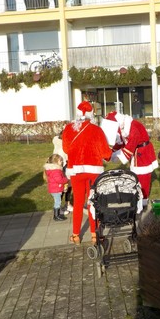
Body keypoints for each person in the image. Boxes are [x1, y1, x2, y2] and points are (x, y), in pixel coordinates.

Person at [62, 100, 112, 245]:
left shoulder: (69, 128)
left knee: (78, 202)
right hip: (93, 171)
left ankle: (76, 235)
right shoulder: (96, 130)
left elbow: (66, 149)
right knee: (93, 202)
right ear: (91, 115)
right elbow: (105, 153)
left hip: (76, 170)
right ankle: (94, 234)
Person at [105, 111, 158, 206]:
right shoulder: (124, 126)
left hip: (143, 153)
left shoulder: (133, 127)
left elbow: (130, 145)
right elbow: (120, 143)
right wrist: (109, 153)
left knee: (143, 177)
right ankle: (138, 198)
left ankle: (143, 201)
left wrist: (116, 154)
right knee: (137, 177)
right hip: (138, 152)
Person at [43, 154, 69, 221]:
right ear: (56, 162)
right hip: (56, 189)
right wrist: (66, 179)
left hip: (54, 189)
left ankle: (57, 214)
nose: (62, 162)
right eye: (61, 161)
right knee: (57, 202)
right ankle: (56, 216)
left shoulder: (53, 170)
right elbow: (59, 180)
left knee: (57, 201)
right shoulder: (56, 171)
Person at [53, 131, 73, 214]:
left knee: (68, 186)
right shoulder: (61, 145)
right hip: (62, 167)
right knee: (63, 187)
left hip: (67, 166)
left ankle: (67, 204)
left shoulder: (60, 142)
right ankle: (58, 207)